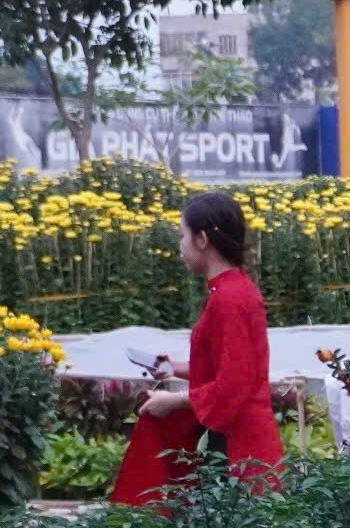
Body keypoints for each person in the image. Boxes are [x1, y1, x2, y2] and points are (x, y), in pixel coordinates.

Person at [109, 191, 285, 505]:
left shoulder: (231, 299)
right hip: (236, 440)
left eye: (182, 236)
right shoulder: (231, 292)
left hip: (241, 449)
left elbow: (234, 385)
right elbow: (226, 369)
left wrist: (174, 401)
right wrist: (172, 368)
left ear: (202, 239)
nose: (180, 246)